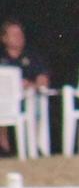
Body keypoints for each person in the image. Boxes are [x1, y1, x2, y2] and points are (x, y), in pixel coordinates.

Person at [0, 19, 50, 154]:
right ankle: (4, 149)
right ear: (4, 38)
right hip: (4, 100)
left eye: (20, 34)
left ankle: (34, 148)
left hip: (27, 99)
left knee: (36, 104)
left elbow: (43, 80)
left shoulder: (32, 57)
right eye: (14, 35)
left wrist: (29, 85)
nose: (19, 38)